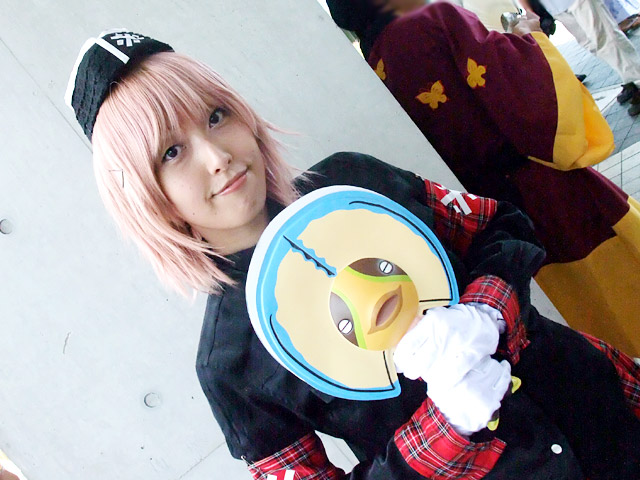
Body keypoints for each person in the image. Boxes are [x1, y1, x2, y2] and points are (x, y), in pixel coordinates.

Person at [66, 29, 640, 479]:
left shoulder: (354, 181)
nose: (217, 156)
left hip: (605, 404)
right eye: (171, 152)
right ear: (145, 195)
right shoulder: (228, 363)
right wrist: (445, 425)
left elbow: (501, 227)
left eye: (216, 116)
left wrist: (485, 314)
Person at [327, 0, 640, 356]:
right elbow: (514, 86)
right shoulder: (430, 17)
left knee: (569, 309)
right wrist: (530, 36)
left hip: (487, 215)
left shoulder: (374, 61)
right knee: (615, 276)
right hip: (539, 184)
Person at [522, 0, 640, 114]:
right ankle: (629, 77)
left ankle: (635, 79)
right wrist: (529, 10)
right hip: (555, 7)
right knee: (591, 44)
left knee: (606, 38)